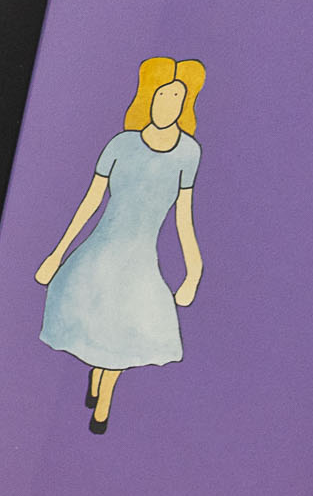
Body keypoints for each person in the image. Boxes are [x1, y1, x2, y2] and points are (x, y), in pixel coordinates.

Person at [31, 57, 209, 435]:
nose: (168, 106)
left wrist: (194, 271)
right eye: (162, 96)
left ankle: (103, 403)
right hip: (100, 252)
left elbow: (183, 218)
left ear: (186, 104)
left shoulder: (188, 153)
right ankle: (98, 382)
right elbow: (90, 202)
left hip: (141, 260)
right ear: (148, 98)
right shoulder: (121, 144)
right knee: (101, 324)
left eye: (177, 98)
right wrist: (56, 255)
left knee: (125, 328)